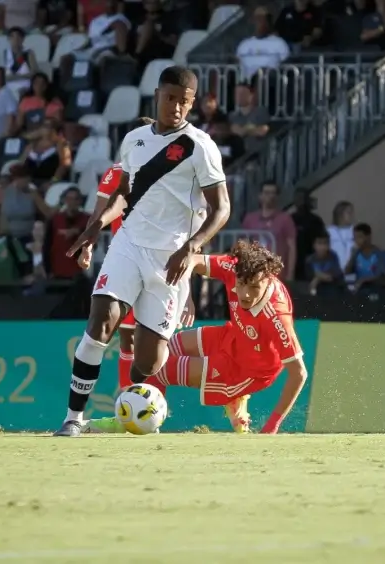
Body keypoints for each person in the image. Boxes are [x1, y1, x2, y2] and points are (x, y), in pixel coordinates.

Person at [58, 66, 230, 437]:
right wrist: (94, 228)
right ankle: (73, 419)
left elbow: (222, 209)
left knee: (148, 362)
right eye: (171, 99)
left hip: (171, 260)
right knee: (101, 320)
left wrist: (192, 248)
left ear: (193, 102)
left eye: (185, 102)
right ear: (157, 94)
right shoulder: (134, 140)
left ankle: (131, 410)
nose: (177, 108)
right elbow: (123, 193)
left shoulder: (200, 147)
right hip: (130, 245)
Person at [87, 240, 309, 434]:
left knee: (159, 369)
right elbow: (191, 260)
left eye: (254, 287)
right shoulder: (233, 268)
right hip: (232, 337)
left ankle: (131, 423)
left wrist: (272, 426)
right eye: (241, 285)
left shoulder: (277, 316)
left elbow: (299, 373)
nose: (245, 294)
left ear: (268, 280)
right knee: (157, 351)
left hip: (245, 371)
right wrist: (187, 296)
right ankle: (232, 401)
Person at [80, 118, 164, 390]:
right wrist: (88, 244)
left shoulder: (168, 173)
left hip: (157, 262)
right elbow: (99, 213)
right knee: (126, 337)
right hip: (125, 261)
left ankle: (150, 405)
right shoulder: (116, 172)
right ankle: (127, 405)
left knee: (153, 339)